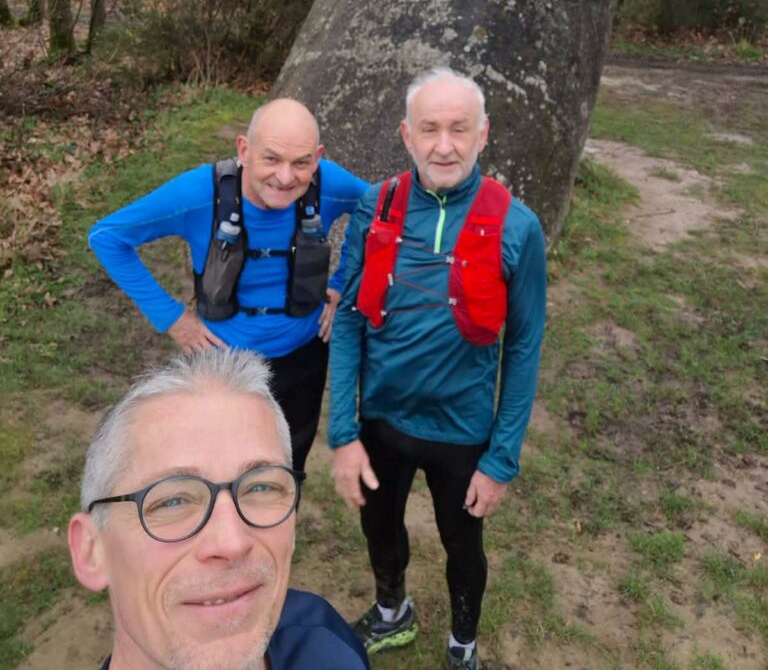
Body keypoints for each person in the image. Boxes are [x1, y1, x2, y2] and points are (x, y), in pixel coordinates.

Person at [329, 68, 547, 670]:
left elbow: (524, 347)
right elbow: (348, 319)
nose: (443, 146)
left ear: (484, 134)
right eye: (429, 129)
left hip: (462, 432)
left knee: (462, 544)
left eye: (459, 129)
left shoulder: (517, 226)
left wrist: (501, 460)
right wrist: (343, 433)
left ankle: (462, 644)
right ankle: (392, 611)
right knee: (379, 528)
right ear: (407, 134)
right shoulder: (377, 205)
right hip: (382, 421)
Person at [89, 98, 368, 472]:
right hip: (223, 364)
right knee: (218, 468)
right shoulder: (199, 194)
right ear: (244, 150)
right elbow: (107, 237)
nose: (285, 177)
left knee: (288, 465)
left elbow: (380, 210)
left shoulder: (329, 185)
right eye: (271, 159)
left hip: (304, 358)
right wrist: (171, 317)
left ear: (317, 158)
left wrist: (343, 284)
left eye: (301, 163)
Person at [68, 347, 371, 670]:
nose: (233, 543)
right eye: (172, 501)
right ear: (91, 551)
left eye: (260, 487)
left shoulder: (327, 642)